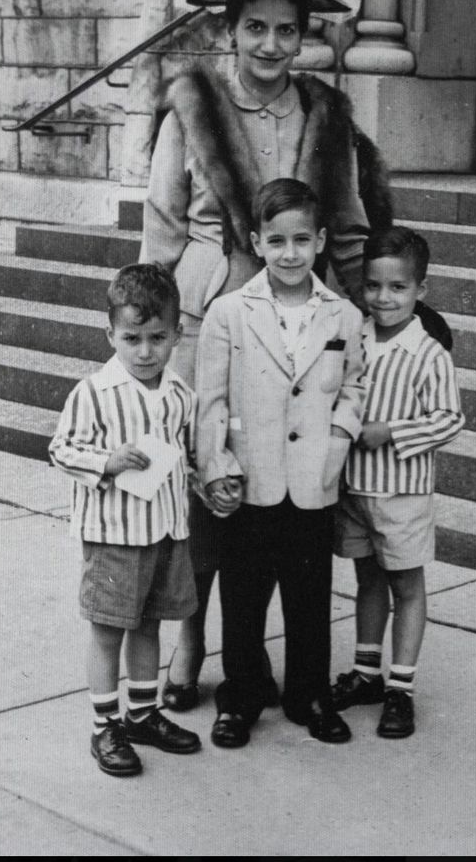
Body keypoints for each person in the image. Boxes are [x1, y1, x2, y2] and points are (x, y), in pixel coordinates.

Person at [141, 0, 392, 712]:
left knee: (282, 485)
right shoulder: (191, 107)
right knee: (205, 482)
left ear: (305, 37)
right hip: (208, 307)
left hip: (298, 321)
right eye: (256, 27)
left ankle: (287, 666)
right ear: (229, 31)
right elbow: (162, 226)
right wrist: (150, 335)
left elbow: (346, 227)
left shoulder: (325, 115)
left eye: (288, 28)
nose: (272, 44)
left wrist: (371, 329)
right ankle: (192, 643)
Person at [195, 178, 366, 747]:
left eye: (301, 240)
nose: (289, 253)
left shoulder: (341, 315)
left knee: (309, 595)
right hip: (251, 477)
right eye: (276, 241)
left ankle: (309, 694)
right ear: (255, 241)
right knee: (243, 594)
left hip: (313, 479)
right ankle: (241, 694)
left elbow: (353, 387)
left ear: (319, 241)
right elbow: (211, 399)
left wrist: (338, 440)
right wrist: (216, 465)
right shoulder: (228, 312)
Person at [47, 263, 205, 776]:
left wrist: (209, 479)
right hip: (114, 536)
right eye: (132, 338)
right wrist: (106, 462)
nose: (145, 351)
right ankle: (105, 725)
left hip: (164, 531)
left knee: (149, 625)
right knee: (109, 630)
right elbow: (61, 449)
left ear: (177, 334)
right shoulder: (93, 392)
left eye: (158, 338)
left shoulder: (181, 394)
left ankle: (141, 713)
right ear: (110, 332)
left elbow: (186, 455)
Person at [328, 227, 465, 739]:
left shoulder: (428, 353)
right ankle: (366, 673)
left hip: (401, 493)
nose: (384, 298)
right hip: (355, 489)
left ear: (419, 291)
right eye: (373, 286)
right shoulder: (355, 334)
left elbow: (450, 418)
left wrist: (393, 432)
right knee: (367, 580)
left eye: (398, 288)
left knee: (405, 586)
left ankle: (400, 688)